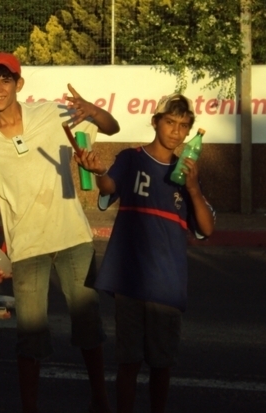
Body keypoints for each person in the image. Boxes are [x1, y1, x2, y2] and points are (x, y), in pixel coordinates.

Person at [0, 52, 120, 413]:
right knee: (29, 337)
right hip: (26, 247)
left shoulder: (51, 114)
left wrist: (93, 110)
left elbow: (110, 128)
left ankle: (100, 398)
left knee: (87, 325)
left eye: (5, 79)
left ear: (19, 84)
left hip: (72, 238)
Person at [74, 93, 215, 413]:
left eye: (184, 125)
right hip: (131, 280)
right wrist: (97, 171)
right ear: (155, 122)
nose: (176, 131)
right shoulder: (131, 158)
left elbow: (206, 228)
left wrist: (193, 189)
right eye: (170, 122)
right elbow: (109, 186)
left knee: (161, 364)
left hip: (167, 284)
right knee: (128, 361)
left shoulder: (187, 173)